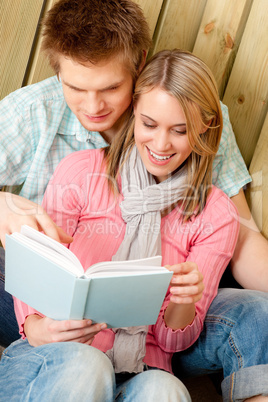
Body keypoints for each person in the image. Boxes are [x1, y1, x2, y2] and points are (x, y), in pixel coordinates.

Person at [0, 0, 267, 396]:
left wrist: (183, 299)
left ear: (138, 67)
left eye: (110, 87)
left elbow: (242, 239)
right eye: (75, 87)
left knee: (255, 313)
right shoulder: (36, 115)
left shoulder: (197, 115)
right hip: (38, 296)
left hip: (157, 328)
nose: (93, 107)